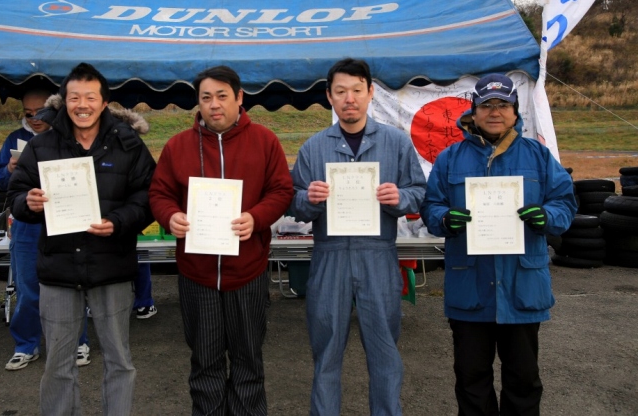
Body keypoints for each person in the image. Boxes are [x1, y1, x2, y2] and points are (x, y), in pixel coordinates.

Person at [420, 73, 577, 416]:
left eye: (503, 105)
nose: (495, 112)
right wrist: (444, 219)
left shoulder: (538, 156)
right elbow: (431, 206)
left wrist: (546, 217)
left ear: (515, 111)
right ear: (473, 111)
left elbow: (565, 204)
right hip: (470, 289)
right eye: (486, 105)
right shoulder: (450, 158)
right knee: (471, 380)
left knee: (523, 381)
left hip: (521, 288)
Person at [8, 62, 156, 415]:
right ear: (65, 101)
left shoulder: (128, 144)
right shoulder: (42, 145)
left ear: (104, 103)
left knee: (119, 361)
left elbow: (149, 198)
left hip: (112, 267)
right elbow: (15, 196)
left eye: (90, 97)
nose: (82, 105)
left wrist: (118, 222)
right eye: (75, 97)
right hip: (59, 271)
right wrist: (28, 203)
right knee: (58, 365)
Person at [148, 65, 293, 415]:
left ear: (239, 97)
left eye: (222, 96)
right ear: (198, 102)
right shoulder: (178, 146)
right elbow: (159, 193)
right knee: (205, 362)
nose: (214, 104)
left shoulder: (264, 141)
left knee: (248, 360)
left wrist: (256, 218)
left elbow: (281, 190)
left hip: (247, 271)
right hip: (197, 274)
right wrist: (170, 215)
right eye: (206, 97)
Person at [290, 58, 427, 416]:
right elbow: (293, 201)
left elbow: (419, 192)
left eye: (356, 90)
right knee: (326, 352)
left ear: (370, 93)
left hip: (378, 254)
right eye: (340, 92)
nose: (349, 99)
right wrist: (309, 199)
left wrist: (400, 197)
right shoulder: (313, 148)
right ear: (329, 97)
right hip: (329, 256)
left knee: (384, 352)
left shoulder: (396, 143)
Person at [0, 89, 93, 371]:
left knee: (72, 285)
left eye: (39, 112)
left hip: (65, 221)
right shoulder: (14, 139)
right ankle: (26, 345)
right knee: (27, 288)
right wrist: (9, 169)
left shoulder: (70, 137)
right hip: (26, 225)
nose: (34, 118)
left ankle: (78, 342)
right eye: (28, 113)